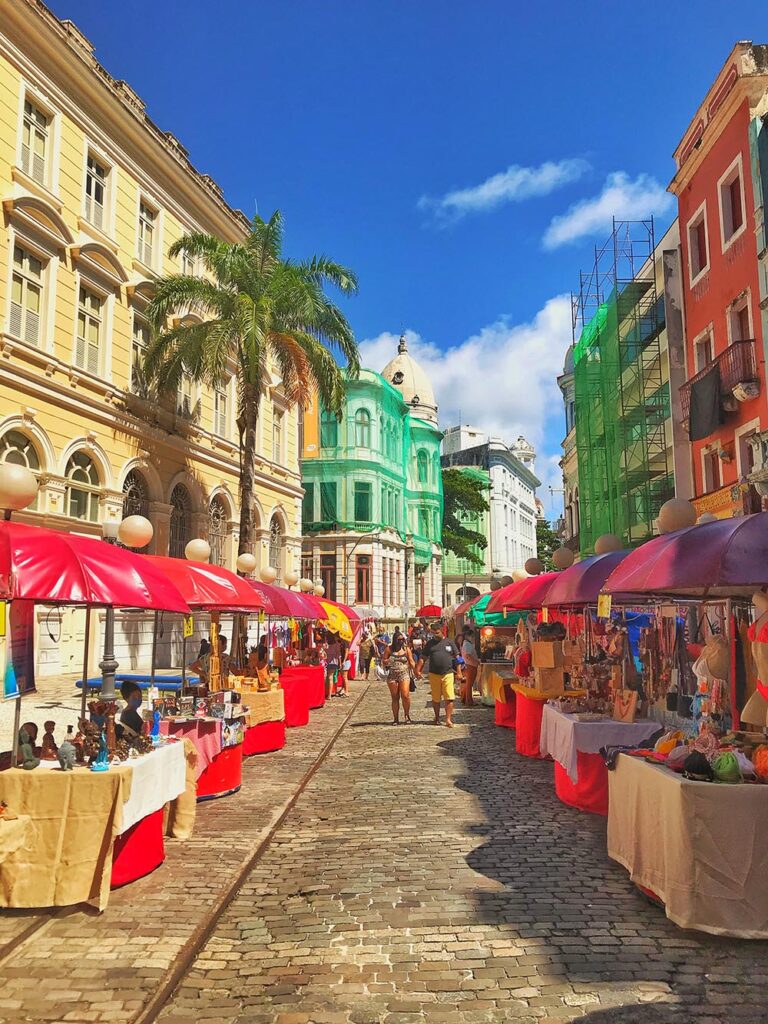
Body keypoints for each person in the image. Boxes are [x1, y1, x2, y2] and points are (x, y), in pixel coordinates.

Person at [423, 623, 459, 727]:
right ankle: (437, 718)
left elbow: (458, 657)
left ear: (441, 630)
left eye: (437, 633)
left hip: (448, 673)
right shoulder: (430, 644)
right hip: (434, 674)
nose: (435, 635)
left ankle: (448, 719)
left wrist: (459, 671)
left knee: (449, 697)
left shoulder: (449, 642)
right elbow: (423, 657)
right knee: (436, 698)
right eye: (433, 633)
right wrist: (418, 669)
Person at [383, 633, 415, 724]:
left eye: (402, 639)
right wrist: (388, 661)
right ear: (395, 640)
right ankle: (396, 718)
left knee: (405, 695)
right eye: (399, 639)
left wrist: (416, 671)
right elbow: (384, 660)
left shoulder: (406, 649)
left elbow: (411, 661)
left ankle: (407, 715)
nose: (401, 641)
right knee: (395, 697)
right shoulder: (389, 649)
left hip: (404, 674)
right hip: (392, 675)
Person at [461, 628, 480, 707]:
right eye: (471, 636)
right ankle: (469, 701)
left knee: (469, 684)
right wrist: (475, 661)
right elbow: (468, 655)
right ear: (467, 636)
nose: (473, 638)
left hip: (470, 665)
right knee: (469, 684)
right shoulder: (467, 644)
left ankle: (467, 699)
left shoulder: (467, 644)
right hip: (470, 666)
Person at [325, 633, 341, 698]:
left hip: (326, 662)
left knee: (327, 678)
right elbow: (338, 655)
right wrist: (339, 663)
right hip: (334, 662)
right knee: (330, 677)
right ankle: (329, 694)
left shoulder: (326, 644)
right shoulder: (336, 644)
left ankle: (327, 693)